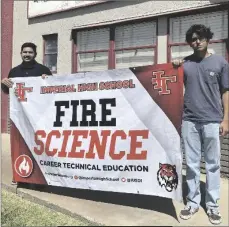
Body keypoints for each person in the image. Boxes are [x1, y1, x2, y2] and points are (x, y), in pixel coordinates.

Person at [173, 24, 229, 225]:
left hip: (213, 121)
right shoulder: (185, 64)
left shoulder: (220, 62)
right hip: (190, 121)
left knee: (213, 166)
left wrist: (226, 119)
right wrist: (174, 64)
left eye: (201, 38)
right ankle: (193, 203)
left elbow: (226, 91)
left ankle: (213, 206)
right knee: (193, 165)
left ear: (208, 40)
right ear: (190, 42)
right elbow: (168, 80)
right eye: (193, 39)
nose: (197, 41)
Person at [1, 42, 52, 185]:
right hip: (19, 117)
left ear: (35, 54)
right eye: (25, 52)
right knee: (19, 146)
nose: (27, 54)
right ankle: (19, 176)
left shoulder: (43, 70)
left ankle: (38, 178)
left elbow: (52, 91)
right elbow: (7, 91)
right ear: (21, 53)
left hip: (38, 116)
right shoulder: (14, 72)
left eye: (30, 52)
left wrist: (48, 81)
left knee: (37, 146)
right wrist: (4, 84)